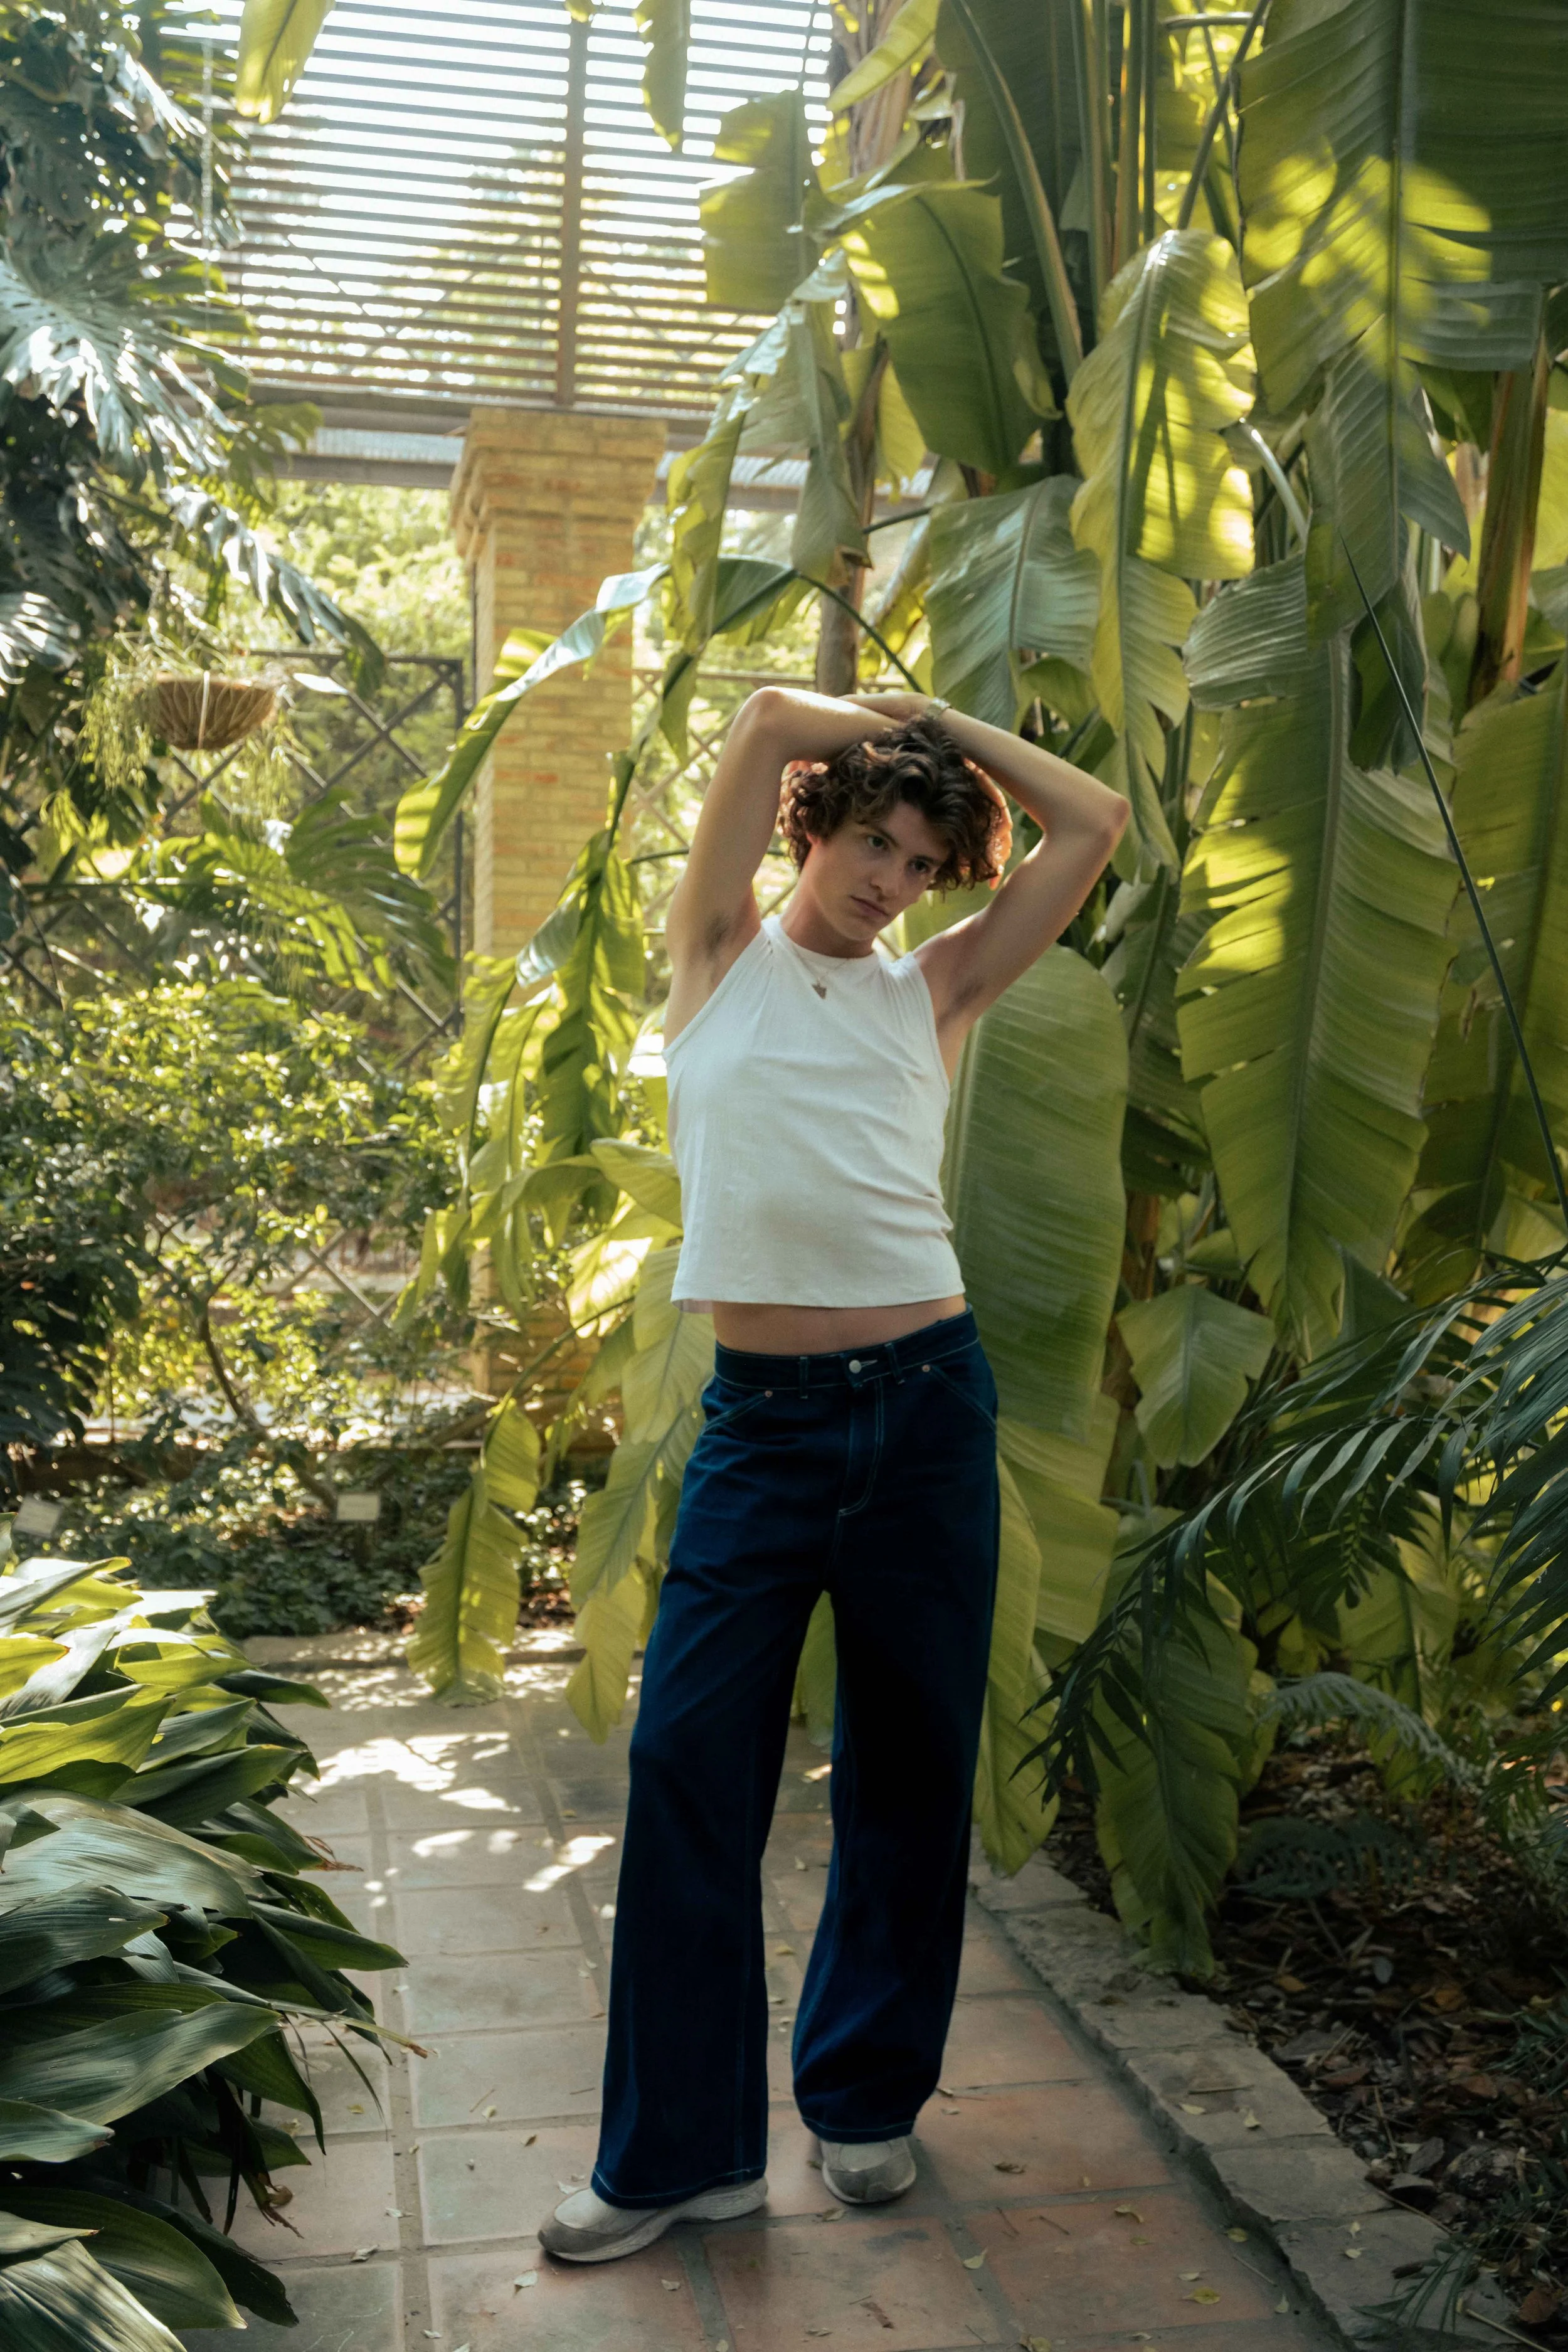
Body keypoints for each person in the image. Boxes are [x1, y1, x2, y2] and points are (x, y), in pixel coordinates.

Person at [539, 686, 1128, 2263]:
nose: (887, 878)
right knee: (684, 1769)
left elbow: (1094, 825)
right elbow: (748, 726)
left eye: (923, 861)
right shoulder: (716, 961)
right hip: (764, 1426)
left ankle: (862, 2103)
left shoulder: (932, 990)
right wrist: (890, 715)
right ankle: (681, 2155)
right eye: (871, 838)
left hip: (926, 1407)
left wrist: (958, 737)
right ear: (814, 827)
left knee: (910, 1764)